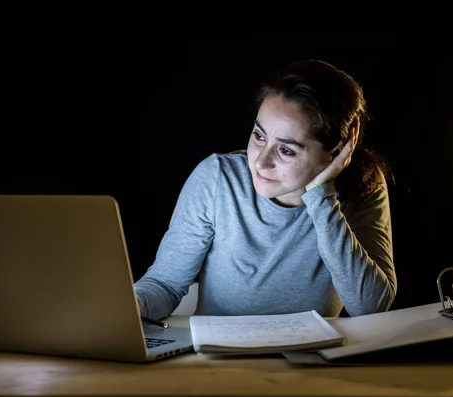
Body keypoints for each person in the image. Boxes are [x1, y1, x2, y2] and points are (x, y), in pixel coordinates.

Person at [135, 59, 397, 320]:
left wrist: (321, 197)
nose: (260, 162)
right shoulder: (217, 178)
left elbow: (370, 308)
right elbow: (165, 285)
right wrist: (121, 308)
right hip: (217, 357)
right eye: (259, 136)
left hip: (313, 359)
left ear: (338, 151)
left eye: (286, 150)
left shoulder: (363, 185)